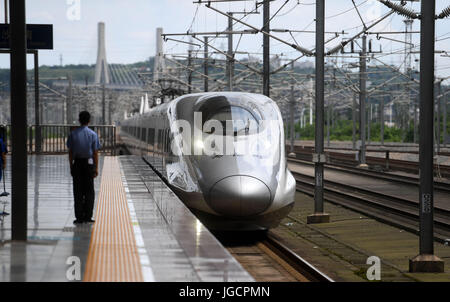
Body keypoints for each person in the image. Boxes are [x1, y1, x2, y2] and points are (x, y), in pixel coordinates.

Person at [67, 112, 101, 224]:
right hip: (89, 164)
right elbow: (95, 153)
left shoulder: (73, 134)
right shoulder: (93, 134)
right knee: (89, 191)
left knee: (77, 191)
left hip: (77, 163)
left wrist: (71, 166)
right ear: (89, 120)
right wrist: (96, 168)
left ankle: (79, 217)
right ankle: (88, 216)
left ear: (79, 120)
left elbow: (70, 152)